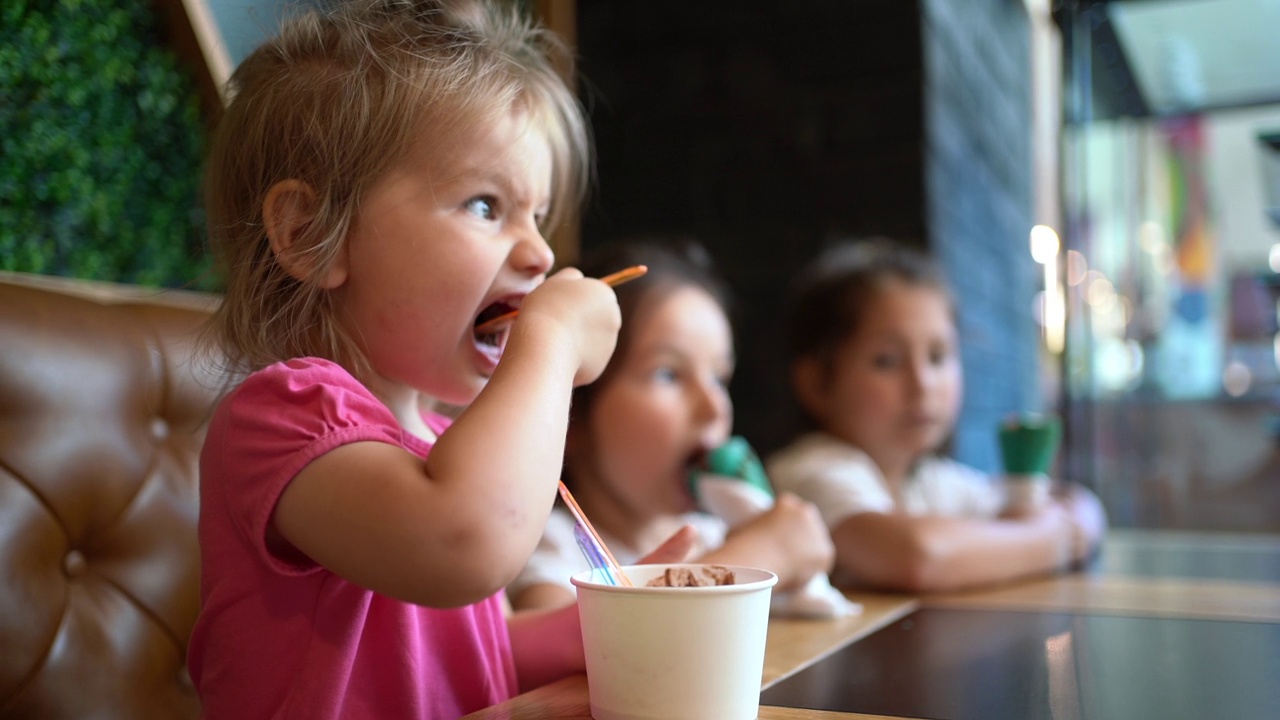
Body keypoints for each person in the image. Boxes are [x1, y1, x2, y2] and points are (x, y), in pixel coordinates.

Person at [187, 2, 695, 718]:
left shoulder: (440, 444)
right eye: (486, 206)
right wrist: (546, 347)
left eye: (538, 216)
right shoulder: (281, 419)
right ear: (313, 235)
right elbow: (464, 544)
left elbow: (477, 657)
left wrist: (621, 618)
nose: (542, 254)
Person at [506, 239, 835, 612]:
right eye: (668, 375)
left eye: (719, 378)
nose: (714, 407)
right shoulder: (553, 546)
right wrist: (758, 556)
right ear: (571, 415)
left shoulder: (713, 534)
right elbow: (573, 642)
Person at [766, 238, 1106, 593]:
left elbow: (1069, 502)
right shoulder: (811, 472)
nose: (922, 384)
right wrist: (1061, 539)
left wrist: (1062, 520)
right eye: (887, 361)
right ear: (817, 383)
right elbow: (918, 557)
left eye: (938, 356)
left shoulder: (930, 481)